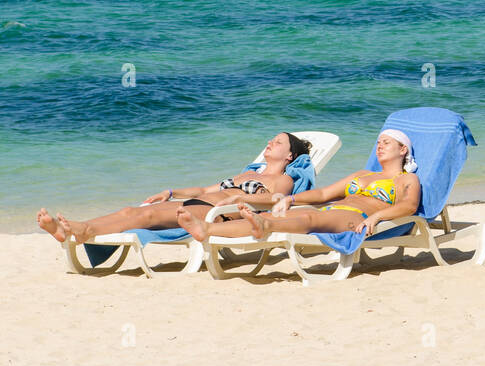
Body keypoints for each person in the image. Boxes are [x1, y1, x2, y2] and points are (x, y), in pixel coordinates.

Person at [36, 132, 311, 243]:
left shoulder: (283, 179)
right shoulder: (248, 172)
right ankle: (75, 228)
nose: (270, 143)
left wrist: (241, 196)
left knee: (147, 217)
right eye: (271, 139)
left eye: (278, 142)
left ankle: (83, 231)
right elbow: (204, 189)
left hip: (219, 214)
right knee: (133, 210)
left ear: (289, 156)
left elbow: (277, 201)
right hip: (200, 204)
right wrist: (170, 192)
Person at [179, 127, 420, 243]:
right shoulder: (363, 174)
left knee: (307, 221)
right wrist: (290, 199)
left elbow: (409, 206)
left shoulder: (406, 179)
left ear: (402, 149)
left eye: (386, 142)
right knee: (301, 214)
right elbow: (325, 193)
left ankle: (260, 225)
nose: (379, 146)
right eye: (378, 142)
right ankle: (207, 230)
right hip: (333, 211)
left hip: (359, 218)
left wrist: (377, 218)